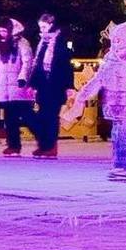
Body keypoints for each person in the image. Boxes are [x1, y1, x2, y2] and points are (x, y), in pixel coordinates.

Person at [67, 21, 126, 180]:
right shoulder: (110, 58)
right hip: (114, 105)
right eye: (114, 40)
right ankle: (120, 165)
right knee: (117, 136)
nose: (116, 43)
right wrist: (83, 94)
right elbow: (99, 79)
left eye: (119, 40)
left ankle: (123, 166)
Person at [0, 18, 35, 156]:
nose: (3, 34)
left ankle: (45, 139)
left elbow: (27, 63)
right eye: (0, 31)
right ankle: (14, 146)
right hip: (6, 90)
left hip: (20, 89)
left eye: (5, 31)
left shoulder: (23, 44)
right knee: (10, 120)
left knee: (28, 117)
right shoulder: (0, 46)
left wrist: (22, 78)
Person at [28, 12, 74, 158]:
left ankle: (50, 147)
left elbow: (66, 65)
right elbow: (38, 64)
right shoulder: (43, 42)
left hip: (56, 85)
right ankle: (44, 145)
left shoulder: (60, 41)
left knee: (51, 116)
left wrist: (68, 86)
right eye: (40, 27)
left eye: (44, 26)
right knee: (42, 116)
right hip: (43, 85)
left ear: (51, 25)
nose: (41, 30)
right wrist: (33, 84)